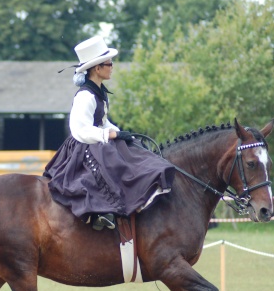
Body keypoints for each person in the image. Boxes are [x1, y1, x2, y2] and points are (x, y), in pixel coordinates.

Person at [44, 36, 176, 230]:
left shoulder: (99, 92)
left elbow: (103, 122)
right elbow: (80, 130)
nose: (112, 66)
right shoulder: (85, 96)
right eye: (109, 63)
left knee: (131, 150)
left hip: (96, 141)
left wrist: (120, 132)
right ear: (97, 68)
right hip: (84, 148)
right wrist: (111, 136)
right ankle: (103, 212)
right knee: (111, 162)